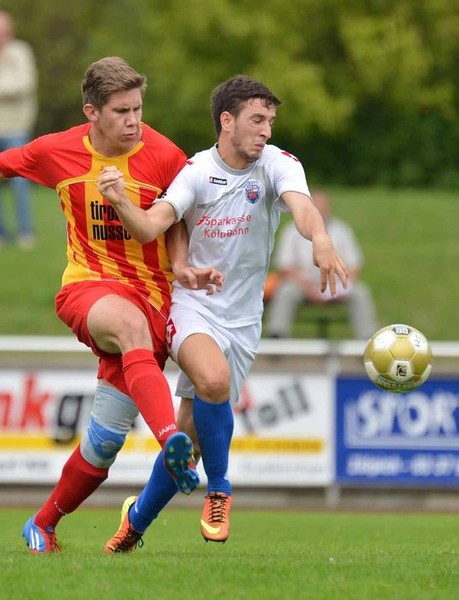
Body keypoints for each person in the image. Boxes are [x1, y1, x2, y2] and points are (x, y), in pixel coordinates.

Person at [96, 74, 348, 551]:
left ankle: (134, 524)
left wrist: (320, 237)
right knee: (213, 380)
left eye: (270, 121)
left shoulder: (277, 164)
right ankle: (219, 490)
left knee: (189, 440)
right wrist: (121, 200)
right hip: (193, 306)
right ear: (227, 121)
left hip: (244, 321)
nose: (266, 130)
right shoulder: (195, 172)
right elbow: (149, 227)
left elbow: (302, 207)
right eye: (257, 120)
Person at [0, 56, 223, 554]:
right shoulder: (56, 151)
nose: (133, 121)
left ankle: (42, 524)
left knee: (104, 443)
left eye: (138, 109)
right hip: (89, 287)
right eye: (121, 111)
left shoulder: (165, 155)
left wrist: (181, 264)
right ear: (92, 112)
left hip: (154, 299)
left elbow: (178, 217)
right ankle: (171, 440)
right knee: (127, 325)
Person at [266, 190, 378, 339]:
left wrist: (339, 288)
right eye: (316, 207)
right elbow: (285, 267)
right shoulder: (291, 231)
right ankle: (277, 336)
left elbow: (354, 266)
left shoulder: (342, 230)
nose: (320, 211)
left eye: (323, 207)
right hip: (302, 285)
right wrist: (308, 288)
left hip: (336, 285)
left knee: (360, 292)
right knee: (286, 291)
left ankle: (368, 339)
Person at [0, 10, 38, 249]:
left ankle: (26, 232)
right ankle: (2, 234)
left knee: (20, 184)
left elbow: (24, 84)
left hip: (17, 127)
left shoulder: (20, 52)